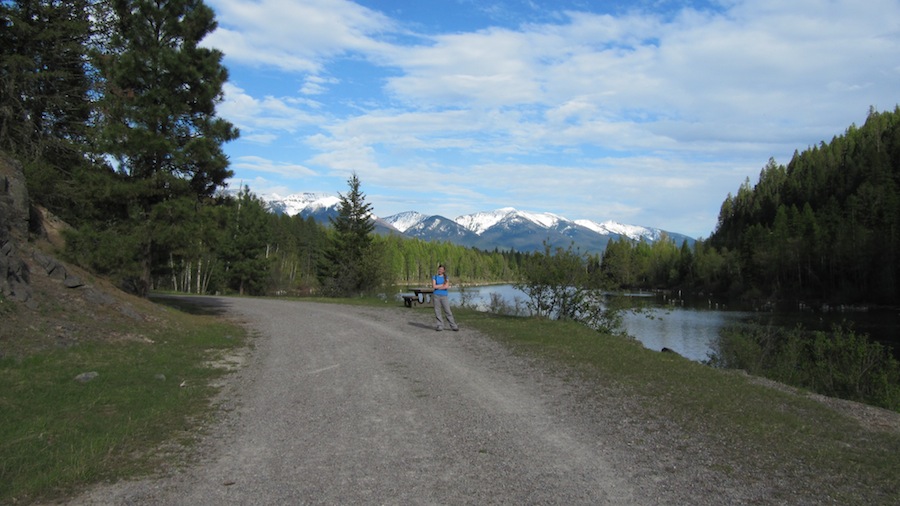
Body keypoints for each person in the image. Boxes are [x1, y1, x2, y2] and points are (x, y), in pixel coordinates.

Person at [432, 264, 459, 331]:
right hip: (436, 295)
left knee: (448, 311)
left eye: (441, 269)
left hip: (444, 296)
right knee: (437, 311)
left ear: (444, 271)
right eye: (439, 269)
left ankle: (453, 326)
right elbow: (434, 286)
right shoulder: (434, 277)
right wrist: (442, 285)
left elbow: (446, 286)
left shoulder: (446, 277)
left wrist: (439, 286)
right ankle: (440, 325)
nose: (440, 271)